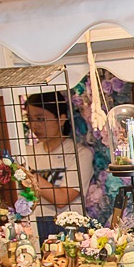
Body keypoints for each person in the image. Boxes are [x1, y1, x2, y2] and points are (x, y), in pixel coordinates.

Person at [25, 91, 94, 240]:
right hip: (33, 225)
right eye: (30, 119)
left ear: (61, 119)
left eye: (40, 119)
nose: (35, 126)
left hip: (68, 227)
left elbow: (62, 199)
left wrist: (27, 173)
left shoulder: (79, 154)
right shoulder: (27, 153)